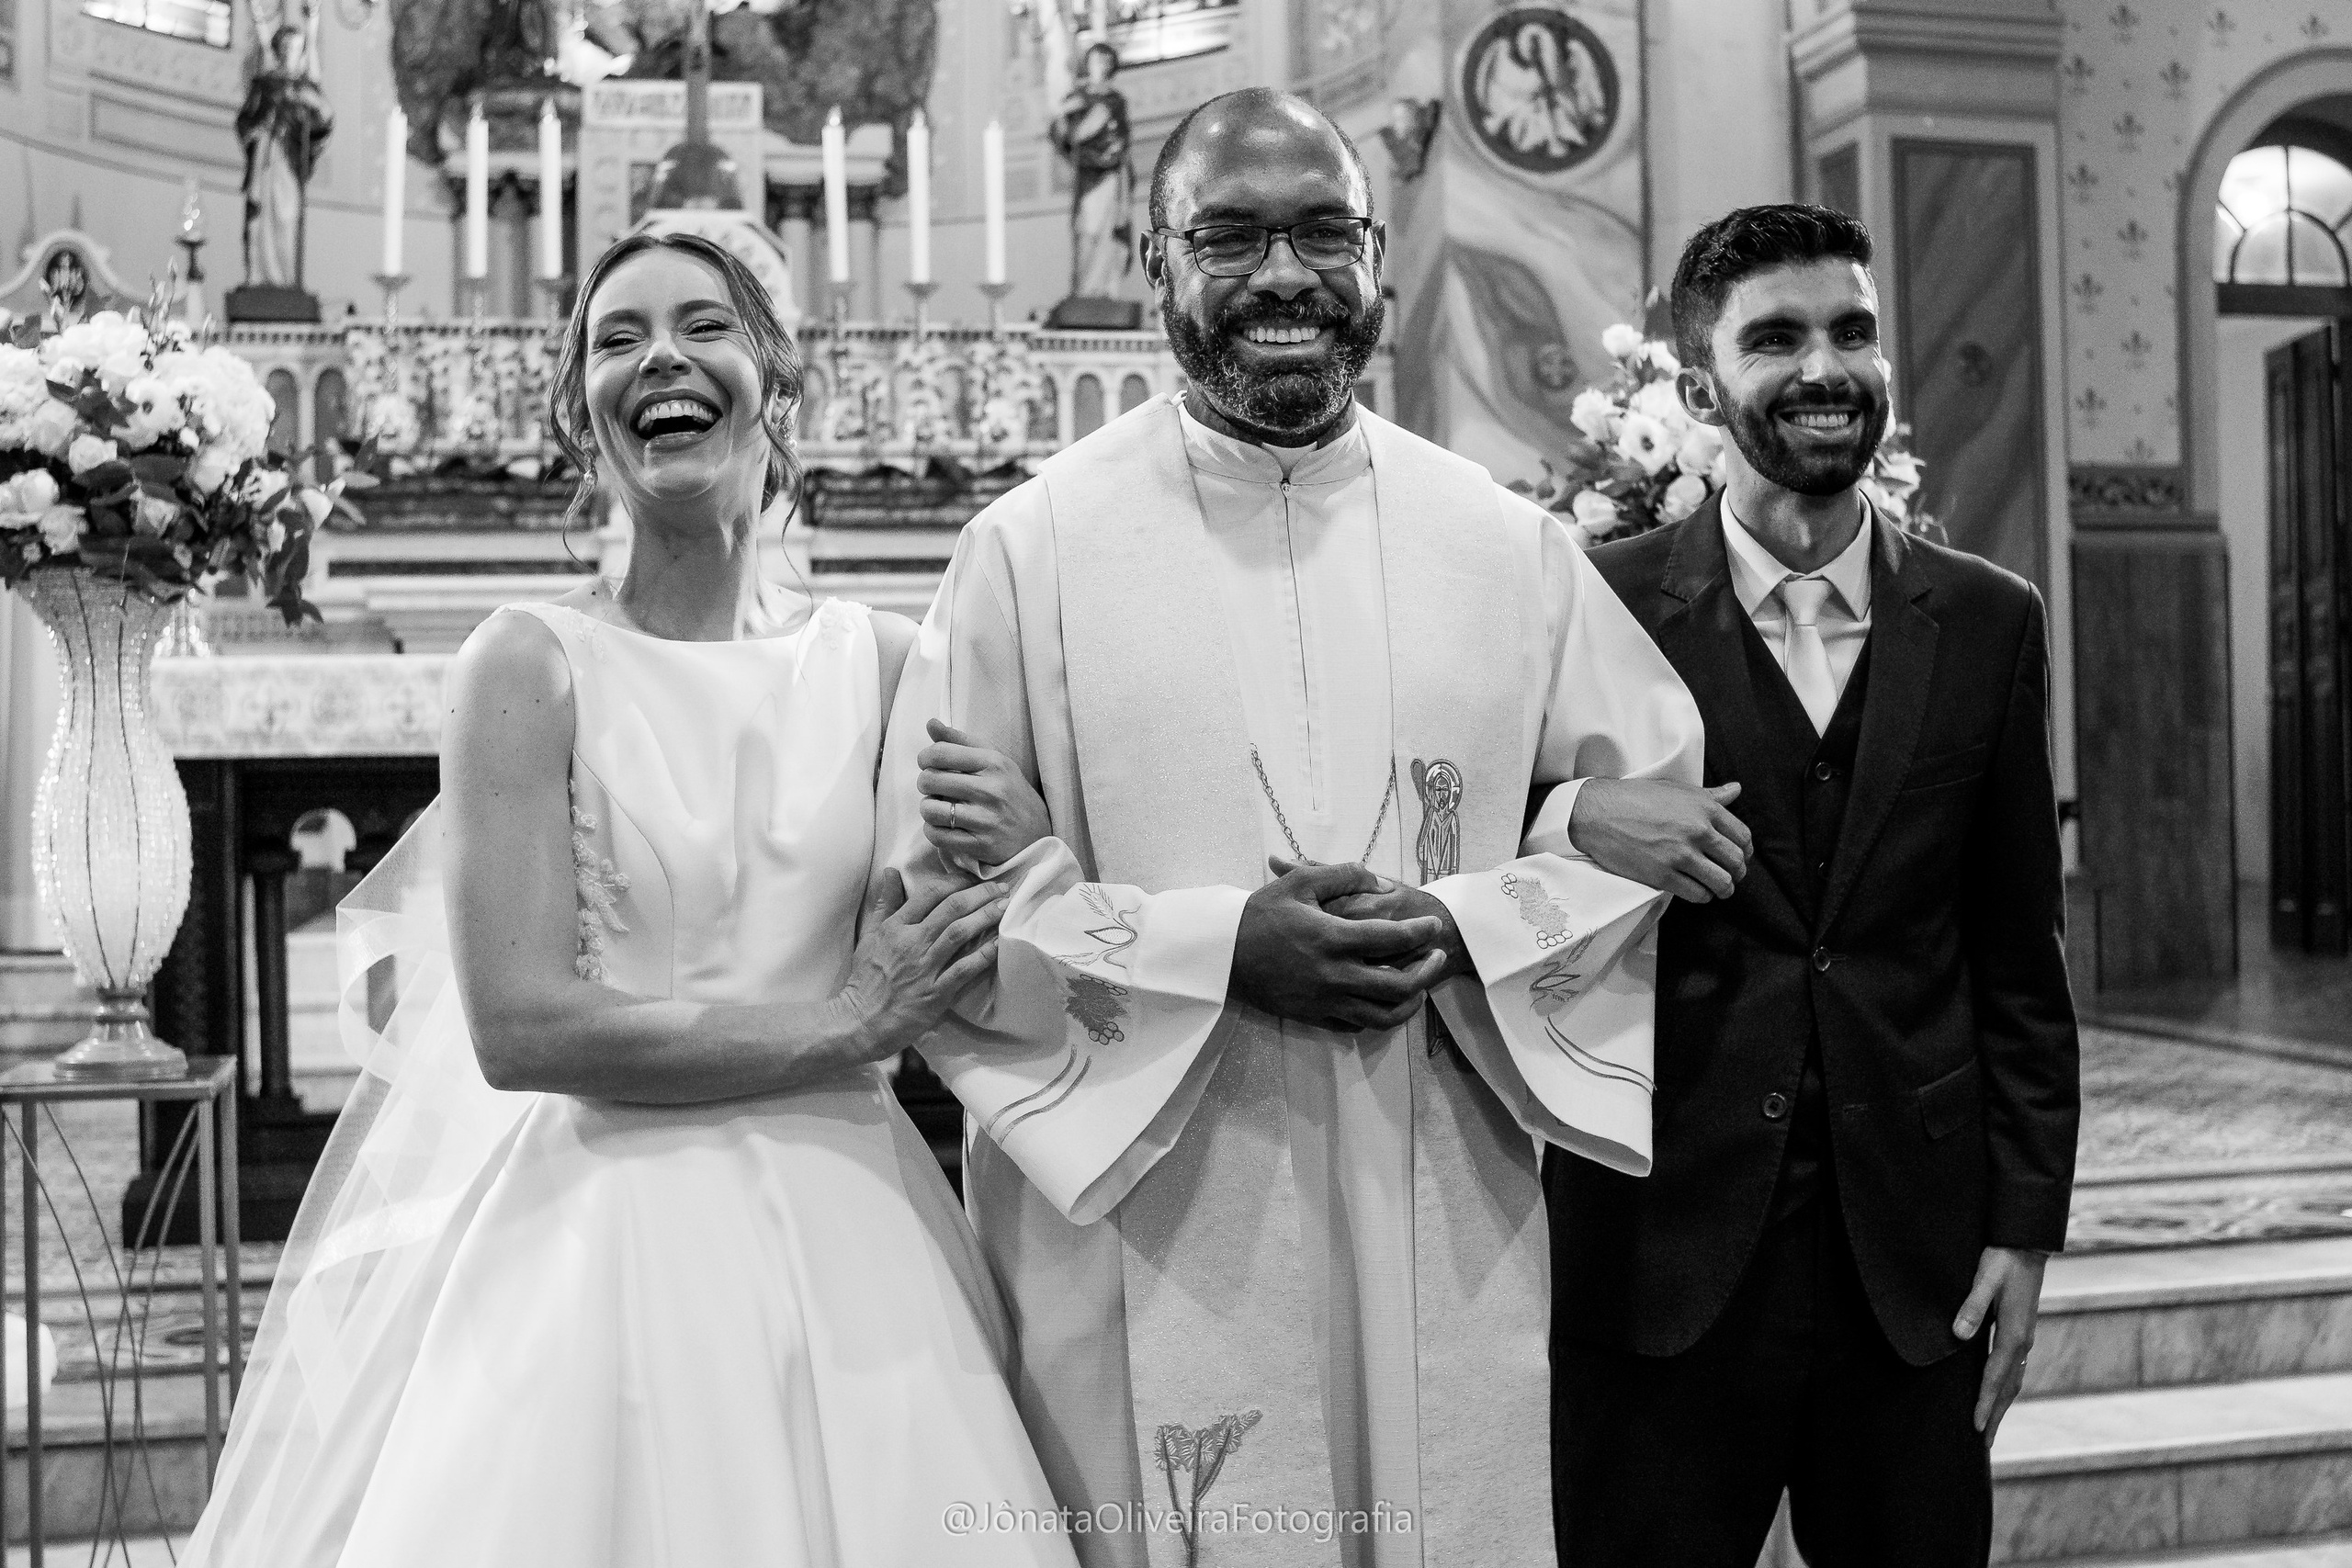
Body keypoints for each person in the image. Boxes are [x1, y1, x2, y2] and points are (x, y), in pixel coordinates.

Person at [880, 89, 1743, 1566]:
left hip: (1438, 1179)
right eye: (1228, 235)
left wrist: (1467, 913)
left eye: (1320, 233)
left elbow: (1657, 818)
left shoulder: (1502, 539)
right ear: (1157, 263)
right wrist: (1226, 949)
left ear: (1380, 251)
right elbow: (931, 915)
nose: (1283, 276)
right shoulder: (1027, 552)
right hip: (1145, 1208)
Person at [183, 231, 1077, 1568]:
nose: (660, 354)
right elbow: (523, 1028)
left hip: (858, 1224)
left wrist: (1038, 853)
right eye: (617, 336)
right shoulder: (526, 664)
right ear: (581, 409)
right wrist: (846, 1023)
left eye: (705, 323)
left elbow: (980, 951)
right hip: (605, 1229)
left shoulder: (890, 662)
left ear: (777, 376)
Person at [1558, 204, 2080, 1567]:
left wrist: (2026, 1231)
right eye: (1775, 337)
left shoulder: (1988, 619)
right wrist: (1572, 813)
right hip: (1658, 1257)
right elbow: (1477, 861)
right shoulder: (1586, 602)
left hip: (1912, 1274)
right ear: (1698, 381)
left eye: (1852, 329)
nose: (1825, 367)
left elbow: (2020, 952)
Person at [235, 20, 332, 290]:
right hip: (265, 159)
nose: (292, 53)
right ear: (279, 50)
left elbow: (324, 123)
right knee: (260, 214)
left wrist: (315, 108)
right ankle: (258, 276)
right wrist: (256, 132)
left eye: (298, 48)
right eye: (287, 48)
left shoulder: (306, 88)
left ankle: (287, 279)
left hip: (289, 161)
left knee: (287, 216)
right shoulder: (265, 84)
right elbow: (245, 119)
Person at [1047, 41, 1135, 301]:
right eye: (1094, 60)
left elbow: (1121, 138)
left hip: (1110, 175)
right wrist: (1064, 122)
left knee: (1107, 231)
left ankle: (1104, 290)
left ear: (1110, 66)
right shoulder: (1077, 98)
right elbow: (1060, 132)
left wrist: (1092, 134)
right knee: (1085, 228)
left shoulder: (1115, 101)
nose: (1098, 66)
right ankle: (1083, 289)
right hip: (1087, 174)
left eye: (1104, 61)